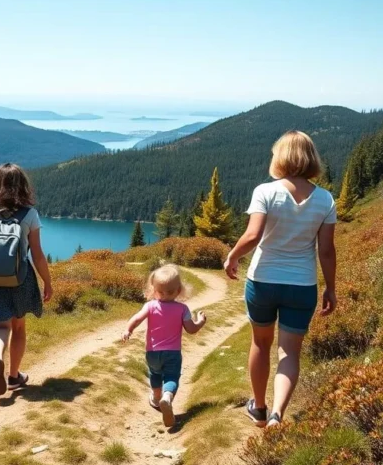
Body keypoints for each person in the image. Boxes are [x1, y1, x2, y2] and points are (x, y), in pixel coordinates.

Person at [224, 130, 337, 428]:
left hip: (263, 281)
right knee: (289, 351)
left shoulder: (265, 191)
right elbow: (326, 250)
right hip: (302, 285)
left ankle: (259, 408)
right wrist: (331, 288)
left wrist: (232, 256)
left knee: (261, 343)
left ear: (280, 156)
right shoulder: (325, 199)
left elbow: (252, 235)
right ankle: (278, 414)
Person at [0, 163, 53, 395]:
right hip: (21, 278)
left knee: (0, 325)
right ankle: (14, 376)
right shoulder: (30, 215)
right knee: (18, 327)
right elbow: (37, 254)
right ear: (23, 187)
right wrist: (47, 282)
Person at [122, 264, 206, 427]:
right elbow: (191, 329)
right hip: (173, 353)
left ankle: (155, 396)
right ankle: (167, 397)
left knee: (155, 374)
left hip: (152, 352)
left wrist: (128, 329)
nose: (164, 295)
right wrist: (200, 322)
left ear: (153, 289)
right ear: (179, 290)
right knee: (171, 377)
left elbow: (137, 318)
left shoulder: (150, 306)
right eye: (163, 292)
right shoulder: (183, 309)